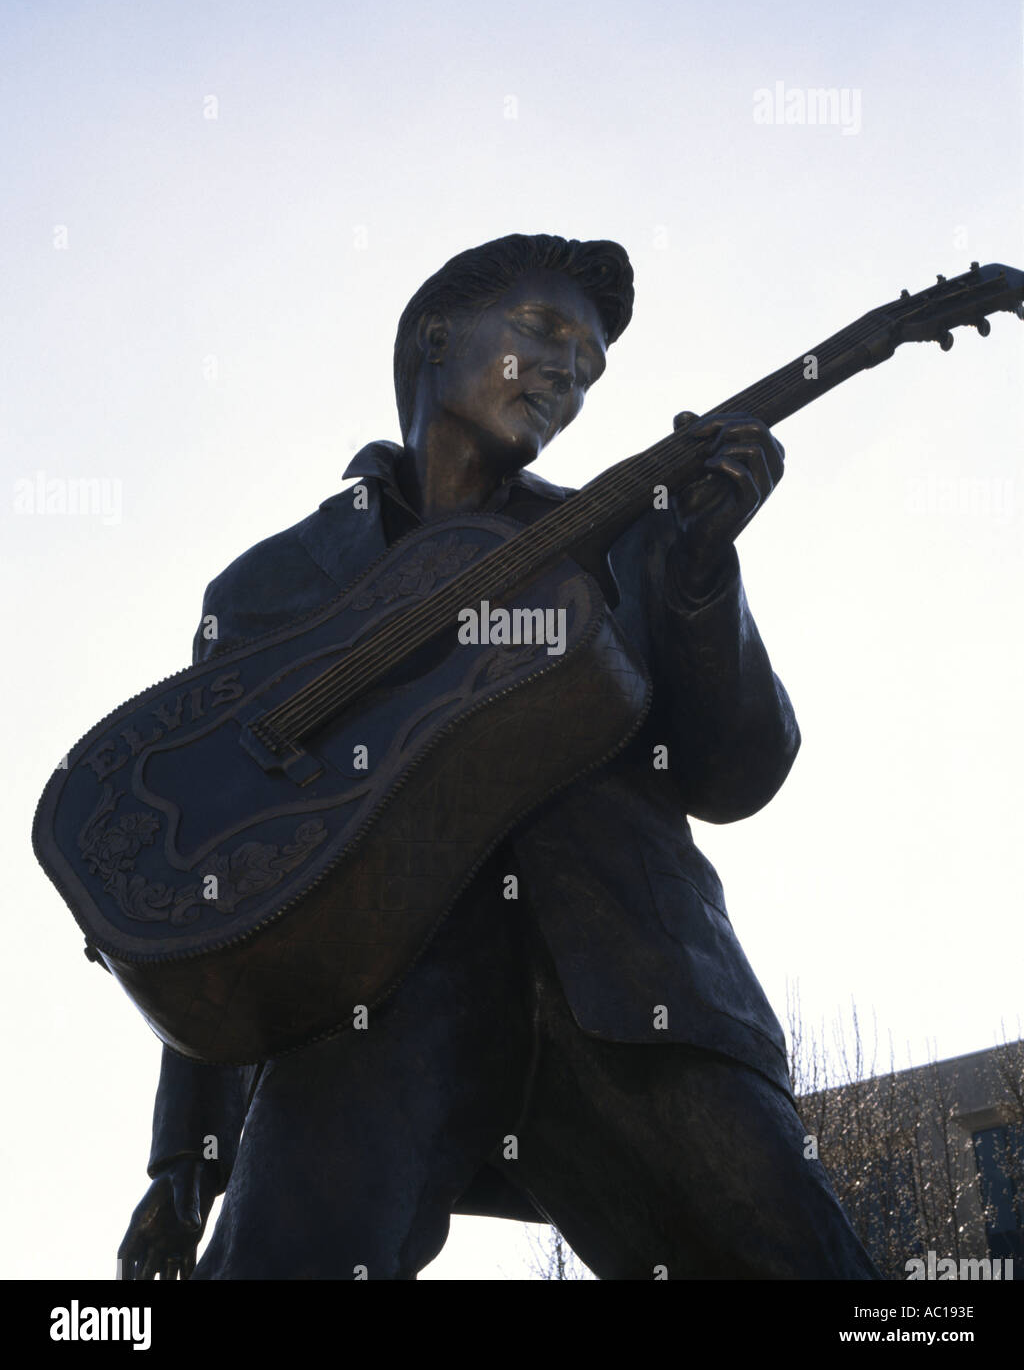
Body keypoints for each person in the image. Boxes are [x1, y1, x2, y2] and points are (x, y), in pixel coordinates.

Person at [118, 233, 879, 1279]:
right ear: (435, 336)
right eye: (543, 331)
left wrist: (700, 579)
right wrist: (186, 1163)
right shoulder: (269, 588)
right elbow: (215, 885)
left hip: (628, 986)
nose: (570, 371)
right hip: (365, 1014)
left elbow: (735, 773)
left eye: (592, 364)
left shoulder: (619, 533)